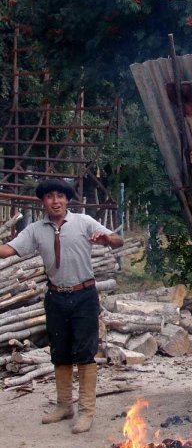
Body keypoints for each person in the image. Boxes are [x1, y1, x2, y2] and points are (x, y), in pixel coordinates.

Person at [0, 179, 124, 432]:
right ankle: (64, 405)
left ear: (67, 200)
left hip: (84, 295)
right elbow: (7, 251)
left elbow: (117, 240)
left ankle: (86, 411)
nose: (55, 201)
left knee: (85, 352)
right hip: (56, 297)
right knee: (60, 352)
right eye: (49, 197)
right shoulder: (35, 230)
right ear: (43, 202)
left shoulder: (84, 222)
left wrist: (108, 238)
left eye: (60, 196)